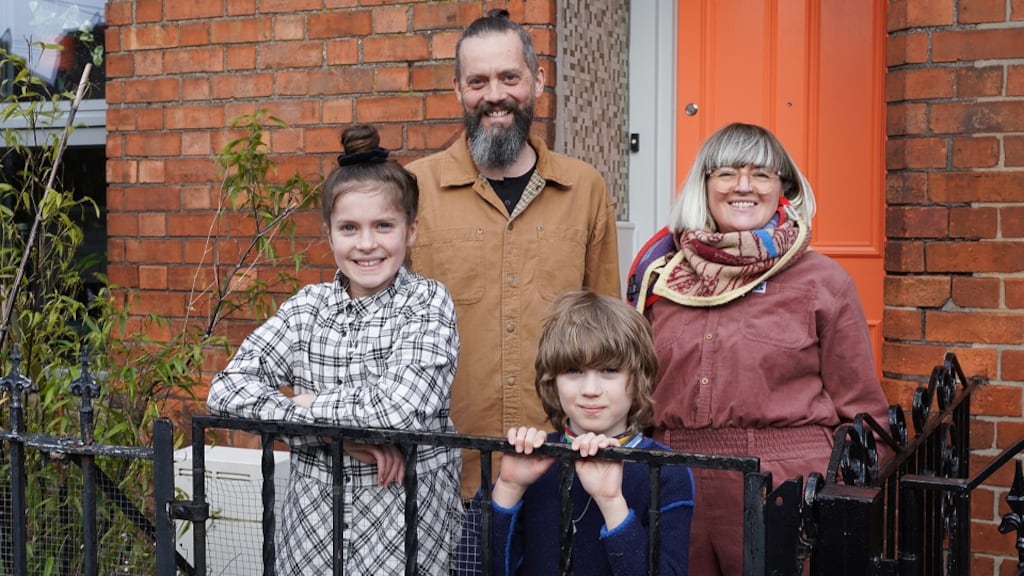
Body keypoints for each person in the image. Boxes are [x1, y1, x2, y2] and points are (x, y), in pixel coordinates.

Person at [630, 122, 890, 575]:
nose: (743, 186)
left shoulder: (822, 281)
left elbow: (864, 414)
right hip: (674, 480)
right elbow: (633, 393)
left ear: (782, 188)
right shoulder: (662, 279)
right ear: (705, 186)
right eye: (727, 173)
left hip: (783, 483)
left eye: (762, 174)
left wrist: (834, 499)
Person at [206, 124, 461, 575]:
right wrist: (330, 433)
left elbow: (399, 412)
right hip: (313, 532)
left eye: (384, 225)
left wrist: (306, 403)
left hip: (402, 526)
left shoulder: (427, 303)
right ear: (329, 234)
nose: (366, 244)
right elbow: (226, 392)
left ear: (412, 229)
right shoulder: (308, 308)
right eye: (350, 227)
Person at [406, 8, 621, 500]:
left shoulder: (584, 188)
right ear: (457, 89)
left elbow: (609, 330)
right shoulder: (415, 188)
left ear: (537, 81)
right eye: (477, 81)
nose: (495, 95)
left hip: (563, 465)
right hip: (443, 468)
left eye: (509, 77)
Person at [458, 289, 694, 575]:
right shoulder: (532, 460)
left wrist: (612, 503)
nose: (590, 390)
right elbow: (471, 569)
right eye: (573, 370)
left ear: (639, 377)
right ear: (552, 379)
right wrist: (508, 488)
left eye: (609, 370)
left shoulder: (668, 471)